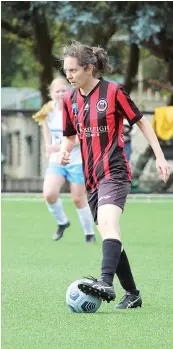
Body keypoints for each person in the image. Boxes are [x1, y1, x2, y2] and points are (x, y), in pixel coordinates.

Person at [58, 41, 170, 309]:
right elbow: (70, 136)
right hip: (91, 178)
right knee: (110, 233)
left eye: (73, 71)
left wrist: (160, 156)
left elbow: (142, 121)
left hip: (115, 172)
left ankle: (105, 281)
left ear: (89, 68)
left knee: (109, 226)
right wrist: (65, 150)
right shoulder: (69, 100)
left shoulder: (113, 92)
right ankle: (132, 293)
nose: (68, 76)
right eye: (66, 71)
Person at [32, 77, 95, 243]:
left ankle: (89, 234)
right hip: (57, 160)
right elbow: (44, 124)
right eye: (57, 91)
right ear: (51, 93)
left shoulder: (76, 109)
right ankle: (62, 222)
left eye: (63, 90)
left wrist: (61, 146)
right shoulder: (48, 109)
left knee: (78, 199)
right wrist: (48, 145)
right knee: (49, 194)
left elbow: (83, 137)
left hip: (77, 160)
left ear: (69, 92)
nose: (60, 94)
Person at [132, 106, 173, 192]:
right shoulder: (163, 112)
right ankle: (134, 180)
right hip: (160, 141)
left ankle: (161, 186)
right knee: (146, 155)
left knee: (145, 156)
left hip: (161, 140)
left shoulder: (161, 112)